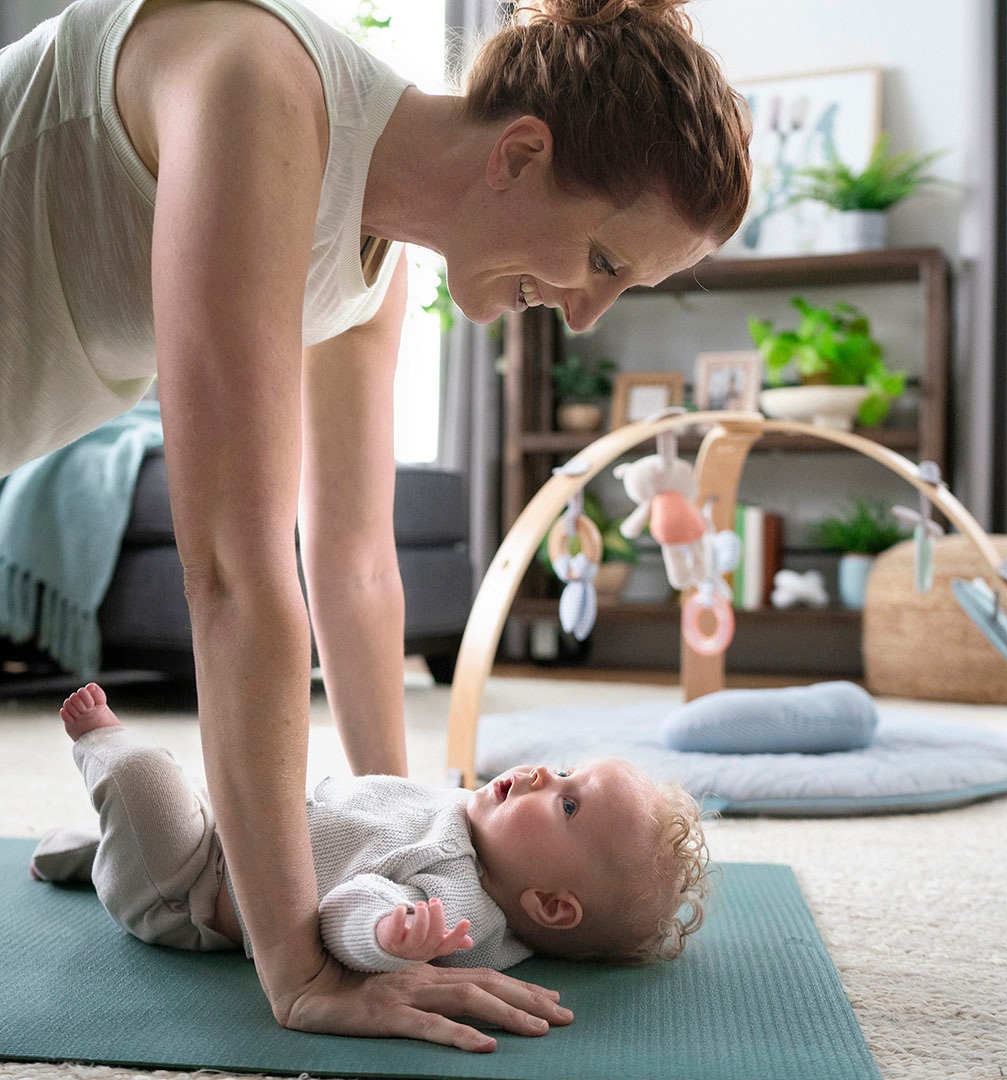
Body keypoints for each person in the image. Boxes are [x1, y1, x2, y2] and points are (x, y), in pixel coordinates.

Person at [1, 0, 751, 1047]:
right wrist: (299, 969)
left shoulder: (372, 272)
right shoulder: (260, 88)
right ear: (521, 154)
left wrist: (405, 831)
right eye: (609, 262)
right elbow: (234, 570)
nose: (587, 314)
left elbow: (352, 569)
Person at [33, 683, 710, 974]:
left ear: (552, 905)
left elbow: (348, 910)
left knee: (149, 777)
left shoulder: (463, 913)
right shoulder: (473, 821)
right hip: (229, 828)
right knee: (175, 810)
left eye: (568, 805)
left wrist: (388, 937)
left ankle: (103, 749)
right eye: (565, 771)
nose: (541, 775)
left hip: (189, 892)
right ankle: (86, 857)